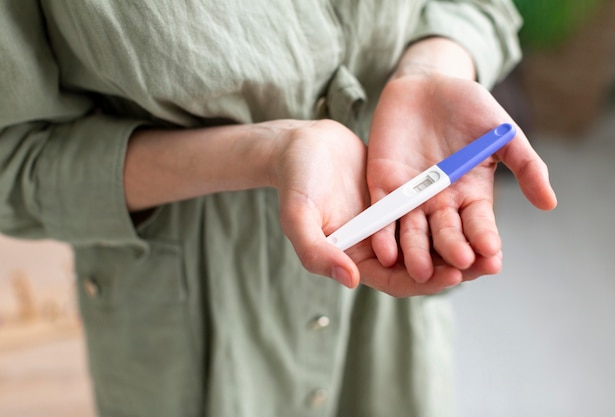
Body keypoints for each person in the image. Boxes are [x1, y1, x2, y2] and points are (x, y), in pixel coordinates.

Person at [0, 1, 557, 416]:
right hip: (189, 326)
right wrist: (265, 152)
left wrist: (434, 66)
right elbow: (13, 164)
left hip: (391, 295)